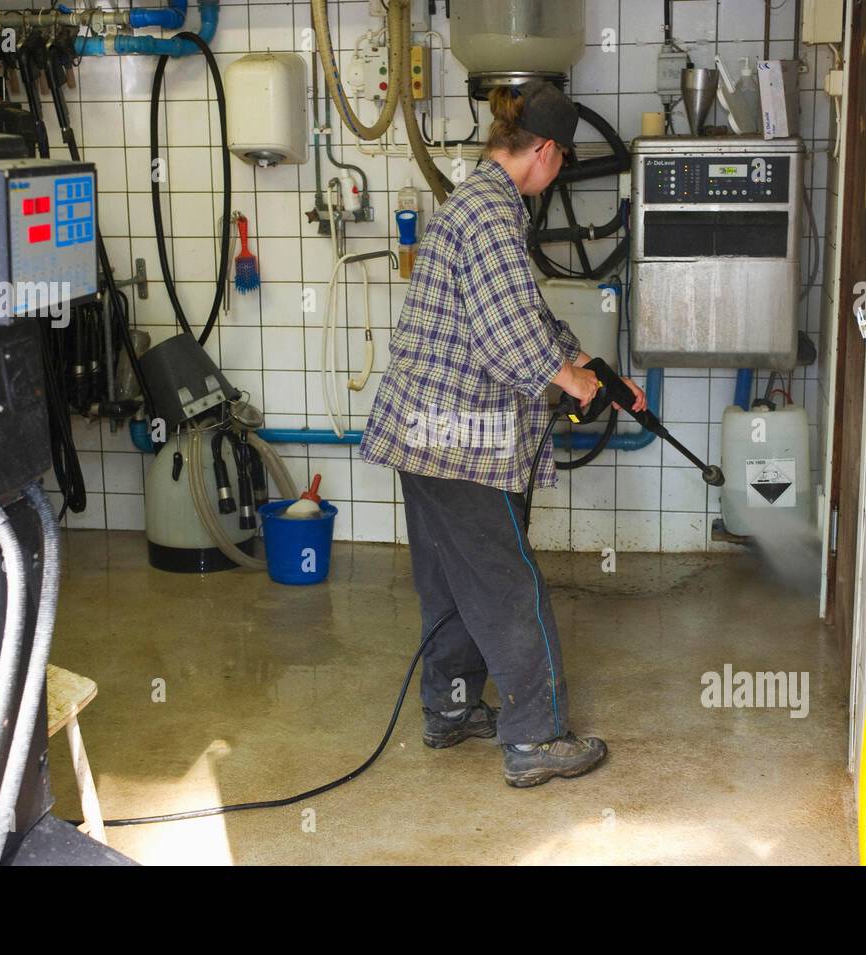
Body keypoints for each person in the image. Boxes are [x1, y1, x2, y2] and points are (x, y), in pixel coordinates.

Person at [360, 80, 647, 788]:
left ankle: (450, 710)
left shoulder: (482, 204)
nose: (560, 173)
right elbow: (506, 334)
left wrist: (590, 364)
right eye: (564, 160)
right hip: (460, 440)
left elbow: (520, 310)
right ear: (544, 151)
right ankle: (535, 738)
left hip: (422, 433)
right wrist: (571, 381)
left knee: (453, 584)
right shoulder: (492, 214)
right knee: (507, 584)